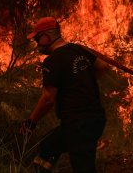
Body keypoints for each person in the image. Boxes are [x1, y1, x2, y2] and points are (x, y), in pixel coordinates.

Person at [19, 16, 110, 173]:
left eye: (37, 39)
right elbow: (103, 66)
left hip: (79, 124)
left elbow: (48, 99)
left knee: (84, 168)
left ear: (47, 36)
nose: (37, 44)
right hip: (94, 119)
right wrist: (80, 80)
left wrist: (30, 123)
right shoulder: (79, 49)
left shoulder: (53, 60)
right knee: (48, 145)